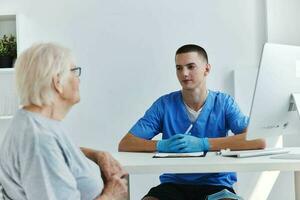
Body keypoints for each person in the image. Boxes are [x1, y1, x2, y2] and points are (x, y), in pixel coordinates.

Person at [118, 44, 266, 200]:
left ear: (207, 69)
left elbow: (258, 139)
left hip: (216, 185)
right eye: (179, 68)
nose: (184, 73)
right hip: (173, 185)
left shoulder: (223, 103)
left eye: (190, 66)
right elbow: (126, 143)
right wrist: (161, 145)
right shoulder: (164, 105)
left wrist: (204, 144)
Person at [0, 43, 128, 200]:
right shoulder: (39, 140)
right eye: (74, 71)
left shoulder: (39, 123)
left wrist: (96, 155)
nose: (78, 79)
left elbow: (59, 154)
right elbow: (45, 154)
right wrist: (112, 195)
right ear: (57, 82)